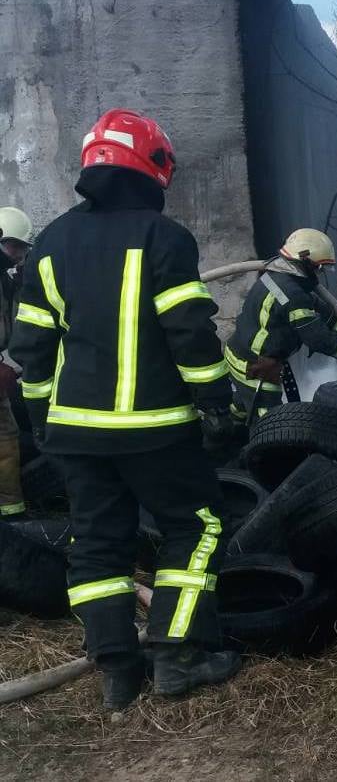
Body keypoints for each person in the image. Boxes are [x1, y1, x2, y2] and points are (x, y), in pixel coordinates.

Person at [10, 108, 240, 709]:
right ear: (152, 166)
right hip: (156, 430)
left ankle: (116, 669)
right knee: (196, 527)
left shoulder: (50, 244)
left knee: (96, 544)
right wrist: (219, 405)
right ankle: (177, 655)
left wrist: (41, 421)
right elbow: (190, 335)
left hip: (74, 433)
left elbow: (30, 352)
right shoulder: (164, 238)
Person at [223, 227, 337, 420]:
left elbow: (328, 317)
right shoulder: (293, 293)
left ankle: (230, 430)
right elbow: (318, 338)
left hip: (239, 351)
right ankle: (232, 444)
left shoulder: (280, 277)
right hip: (255, 367)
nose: (319, 273)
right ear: (304, 260)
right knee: (268, 426)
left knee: (243, 406)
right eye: (319, 267)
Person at [0, 207, 34, 519]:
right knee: (4, 439)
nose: (19, 254)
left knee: (8, 438)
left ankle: (11, 512)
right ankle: (11, 514)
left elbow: (18, 324)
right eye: (16, 247)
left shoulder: (6, 279)